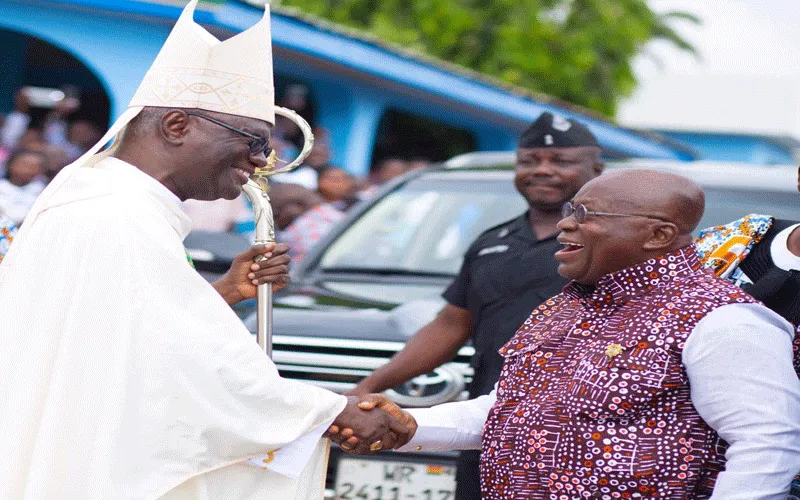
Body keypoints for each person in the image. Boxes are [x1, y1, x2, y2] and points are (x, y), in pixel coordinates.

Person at [0, 3, 407, 499]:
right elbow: (178, 375)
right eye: (253, 142)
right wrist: (325, 411)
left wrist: (227, 291)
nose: (261, 164)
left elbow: (125, 339)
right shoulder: (115, 215)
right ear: (176, 126)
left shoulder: (111, 203)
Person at [344, 169, 800, 499]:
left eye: (585, 213)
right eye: (568, 211)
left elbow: (767, 443)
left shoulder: (722, 320)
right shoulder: (563, 308)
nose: (565, 224)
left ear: (658, 235)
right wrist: (406, 424)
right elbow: (510, 413)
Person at [351, 112, 604, 498]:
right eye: (530, 160)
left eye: (561, 161)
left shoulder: (612, 248)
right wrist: (369, 387)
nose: (542, 170)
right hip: (484, 425)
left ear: (596, 169)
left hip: (571, 432)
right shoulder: (491, 242)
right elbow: (452, 324)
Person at [271, 182, 344, 265]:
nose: (275, 222)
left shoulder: (300, 228)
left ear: (296, 207)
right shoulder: (336, 215)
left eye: (276, 214)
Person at [0, 148, 47, 224]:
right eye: (25, 164)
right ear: (10, 164)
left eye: (35, 166)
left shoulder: (42, 190)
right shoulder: (2, 186)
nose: (29, 169)